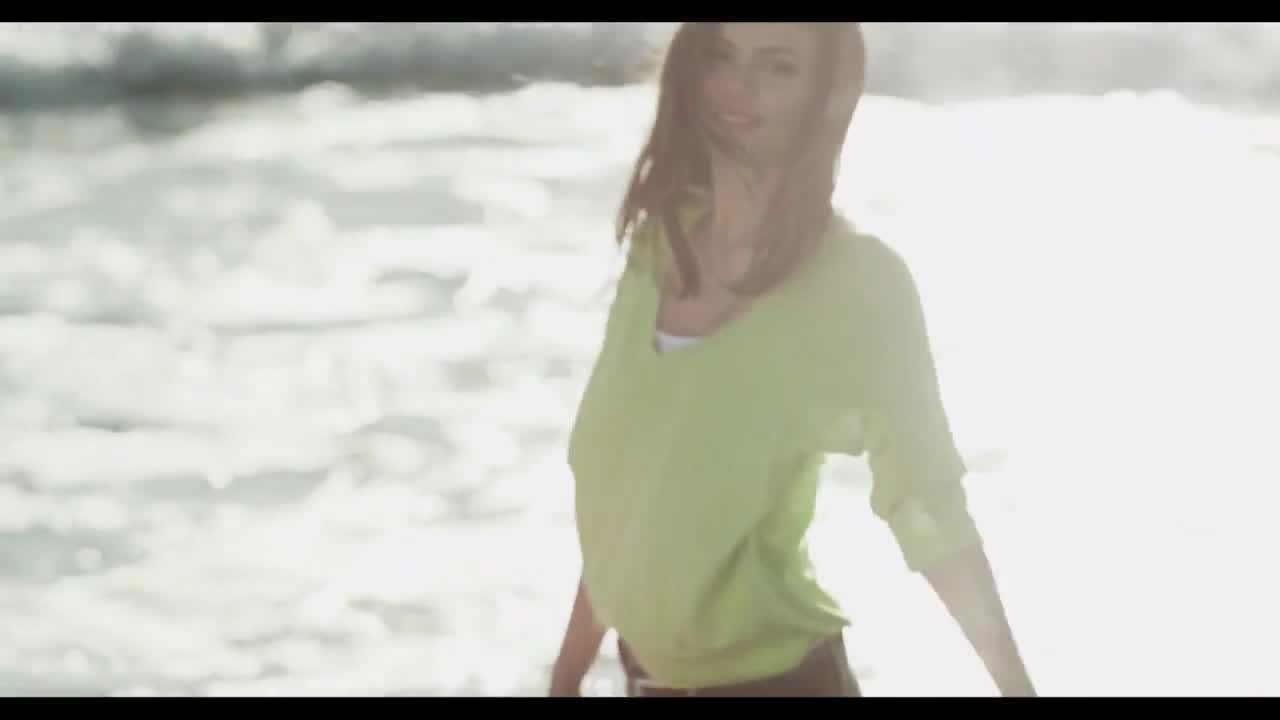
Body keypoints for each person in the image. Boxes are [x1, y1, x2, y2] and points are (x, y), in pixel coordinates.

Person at [548, 22, 1035, 697]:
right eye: (723, 56)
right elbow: (628, 502)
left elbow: (928, 508)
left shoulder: (859, 284)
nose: (738, 88)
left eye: (778, 67)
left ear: (829, 94)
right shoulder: (659, 245)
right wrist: (566, 675)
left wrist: (1017, 687)